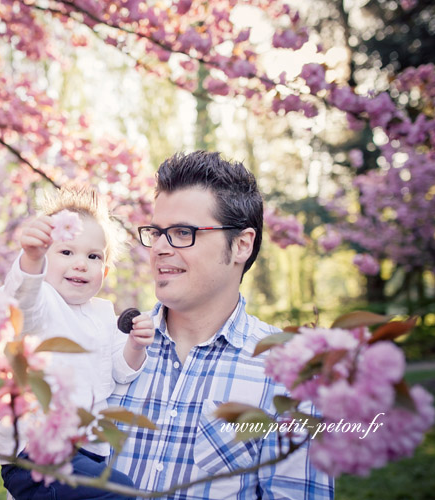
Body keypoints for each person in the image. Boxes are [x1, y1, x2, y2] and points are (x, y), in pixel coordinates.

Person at [108, 151, 334, 499]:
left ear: (242, 245)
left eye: (183, 232)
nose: (159, 249)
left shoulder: (290, 375)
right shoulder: (107, 348)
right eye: (156, 232)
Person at [0, 185, 156, 500]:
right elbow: (19, 300)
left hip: (89, 453)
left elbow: (121, 371)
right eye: (66, 252)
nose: (81, 263)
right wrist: (29, 257)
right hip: (36, 450)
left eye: (93, 256)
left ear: (105, 270)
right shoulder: (43, 302)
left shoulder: (103, 314)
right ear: (45, 259)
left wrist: (136, 345)